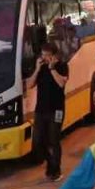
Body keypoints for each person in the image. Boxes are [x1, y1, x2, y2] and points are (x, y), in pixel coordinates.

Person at [26, 44, 69, 181]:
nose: (44, 57)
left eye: (47, 55)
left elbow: (61, 83)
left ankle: (56, 171)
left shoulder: (62, 66)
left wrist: (52, 69)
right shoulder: (41, 68)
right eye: (42, 54)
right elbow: (29, 85)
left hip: (56, 110)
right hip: (40, 110)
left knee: (53, 140)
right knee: (38, 141)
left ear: (54, 56)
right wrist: (37, 69)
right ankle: (51, 164)